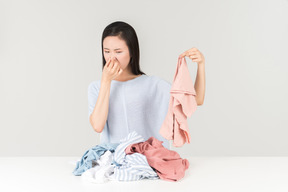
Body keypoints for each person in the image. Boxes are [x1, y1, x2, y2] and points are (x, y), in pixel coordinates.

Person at [88, 21, 206, 149]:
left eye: (118, 52)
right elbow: (98, 126)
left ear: (131, 52)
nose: (112, 58)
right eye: (107, 51)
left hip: (147, 160)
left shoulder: (153, 85)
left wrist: (201, 65)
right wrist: (106, 81)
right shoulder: (96, 88)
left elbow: (196, 100)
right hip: (113, 162)